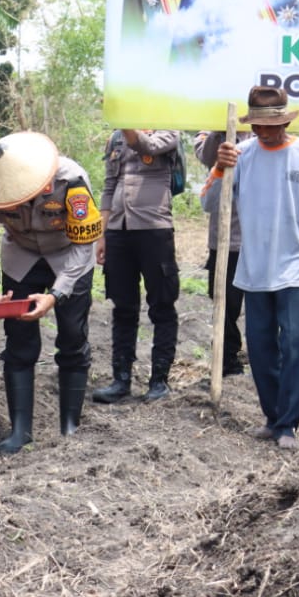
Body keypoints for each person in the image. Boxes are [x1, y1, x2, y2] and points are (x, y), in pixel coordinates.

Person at [207, 87, 299, 450]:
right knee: (259, 348)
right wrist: (219, 168)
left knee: (292, 344)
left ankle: (288, 424)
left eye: (271, 124)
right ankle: (272, 417)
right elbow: (210, 203)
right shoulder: (240, 155)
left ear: (285, 121)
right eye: (258, 125)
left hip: (295, 265)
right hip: (254, 268)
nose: (264, 131)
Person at [0, 131, 102, 454]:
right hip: (21, 256)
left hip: (68, 256)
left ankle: (70, 427)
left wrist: (56, 295)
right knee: (19, 341)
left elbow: (84, 244)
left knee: (72, 335)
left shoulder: (72, 179)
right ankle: (19, 431)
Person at [92, 128, 182, 404]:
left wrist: (129, 123)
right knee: (123, 307)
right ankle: (121, 380)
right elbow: (109, 186)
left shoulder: (168, 131)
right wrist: (102, 234)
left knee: (162, 306)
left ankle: (159, 381)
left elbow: (148, 146)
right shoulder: (116, 138)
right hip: (119, 230)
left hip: (154, 229)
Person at [195, 130, 245, 377]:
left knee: (264, 306)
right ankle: (227, 361)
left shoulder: (262, 139)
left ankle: (266, 359)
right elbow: (205, 155)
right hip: (225, 240)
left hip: (261, 242)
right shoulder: (209, 135)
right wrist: (221, 131)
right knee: (225, 305)